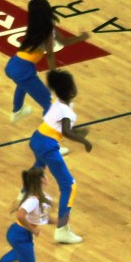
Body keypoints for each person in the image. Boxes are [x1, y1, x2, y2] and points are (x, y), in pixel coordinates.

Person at [30, 69, 93, 244]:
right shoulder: (66, 111)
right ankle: (62, 230)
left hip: (37, 138)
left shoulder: (57, 102)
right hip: (47, 145)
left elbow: (57, 125)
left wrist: (76, 132)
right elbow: (65, 131)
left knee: (39, 166)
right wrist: (84, 141)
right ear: (71, 91)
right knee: (69, 185)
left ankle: (25, 193)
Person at [5, 0, 90, 123]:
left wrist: (81, 38)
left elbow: (63, 41)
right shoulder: (47, 30)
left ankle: (17, 111)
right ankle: (49, 131)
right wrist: (54, 75)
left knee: (22, 84)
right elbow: (50, 55)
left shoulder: (36, 25)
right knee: (50, 105)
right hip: (23, 69)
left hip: (14, 64)